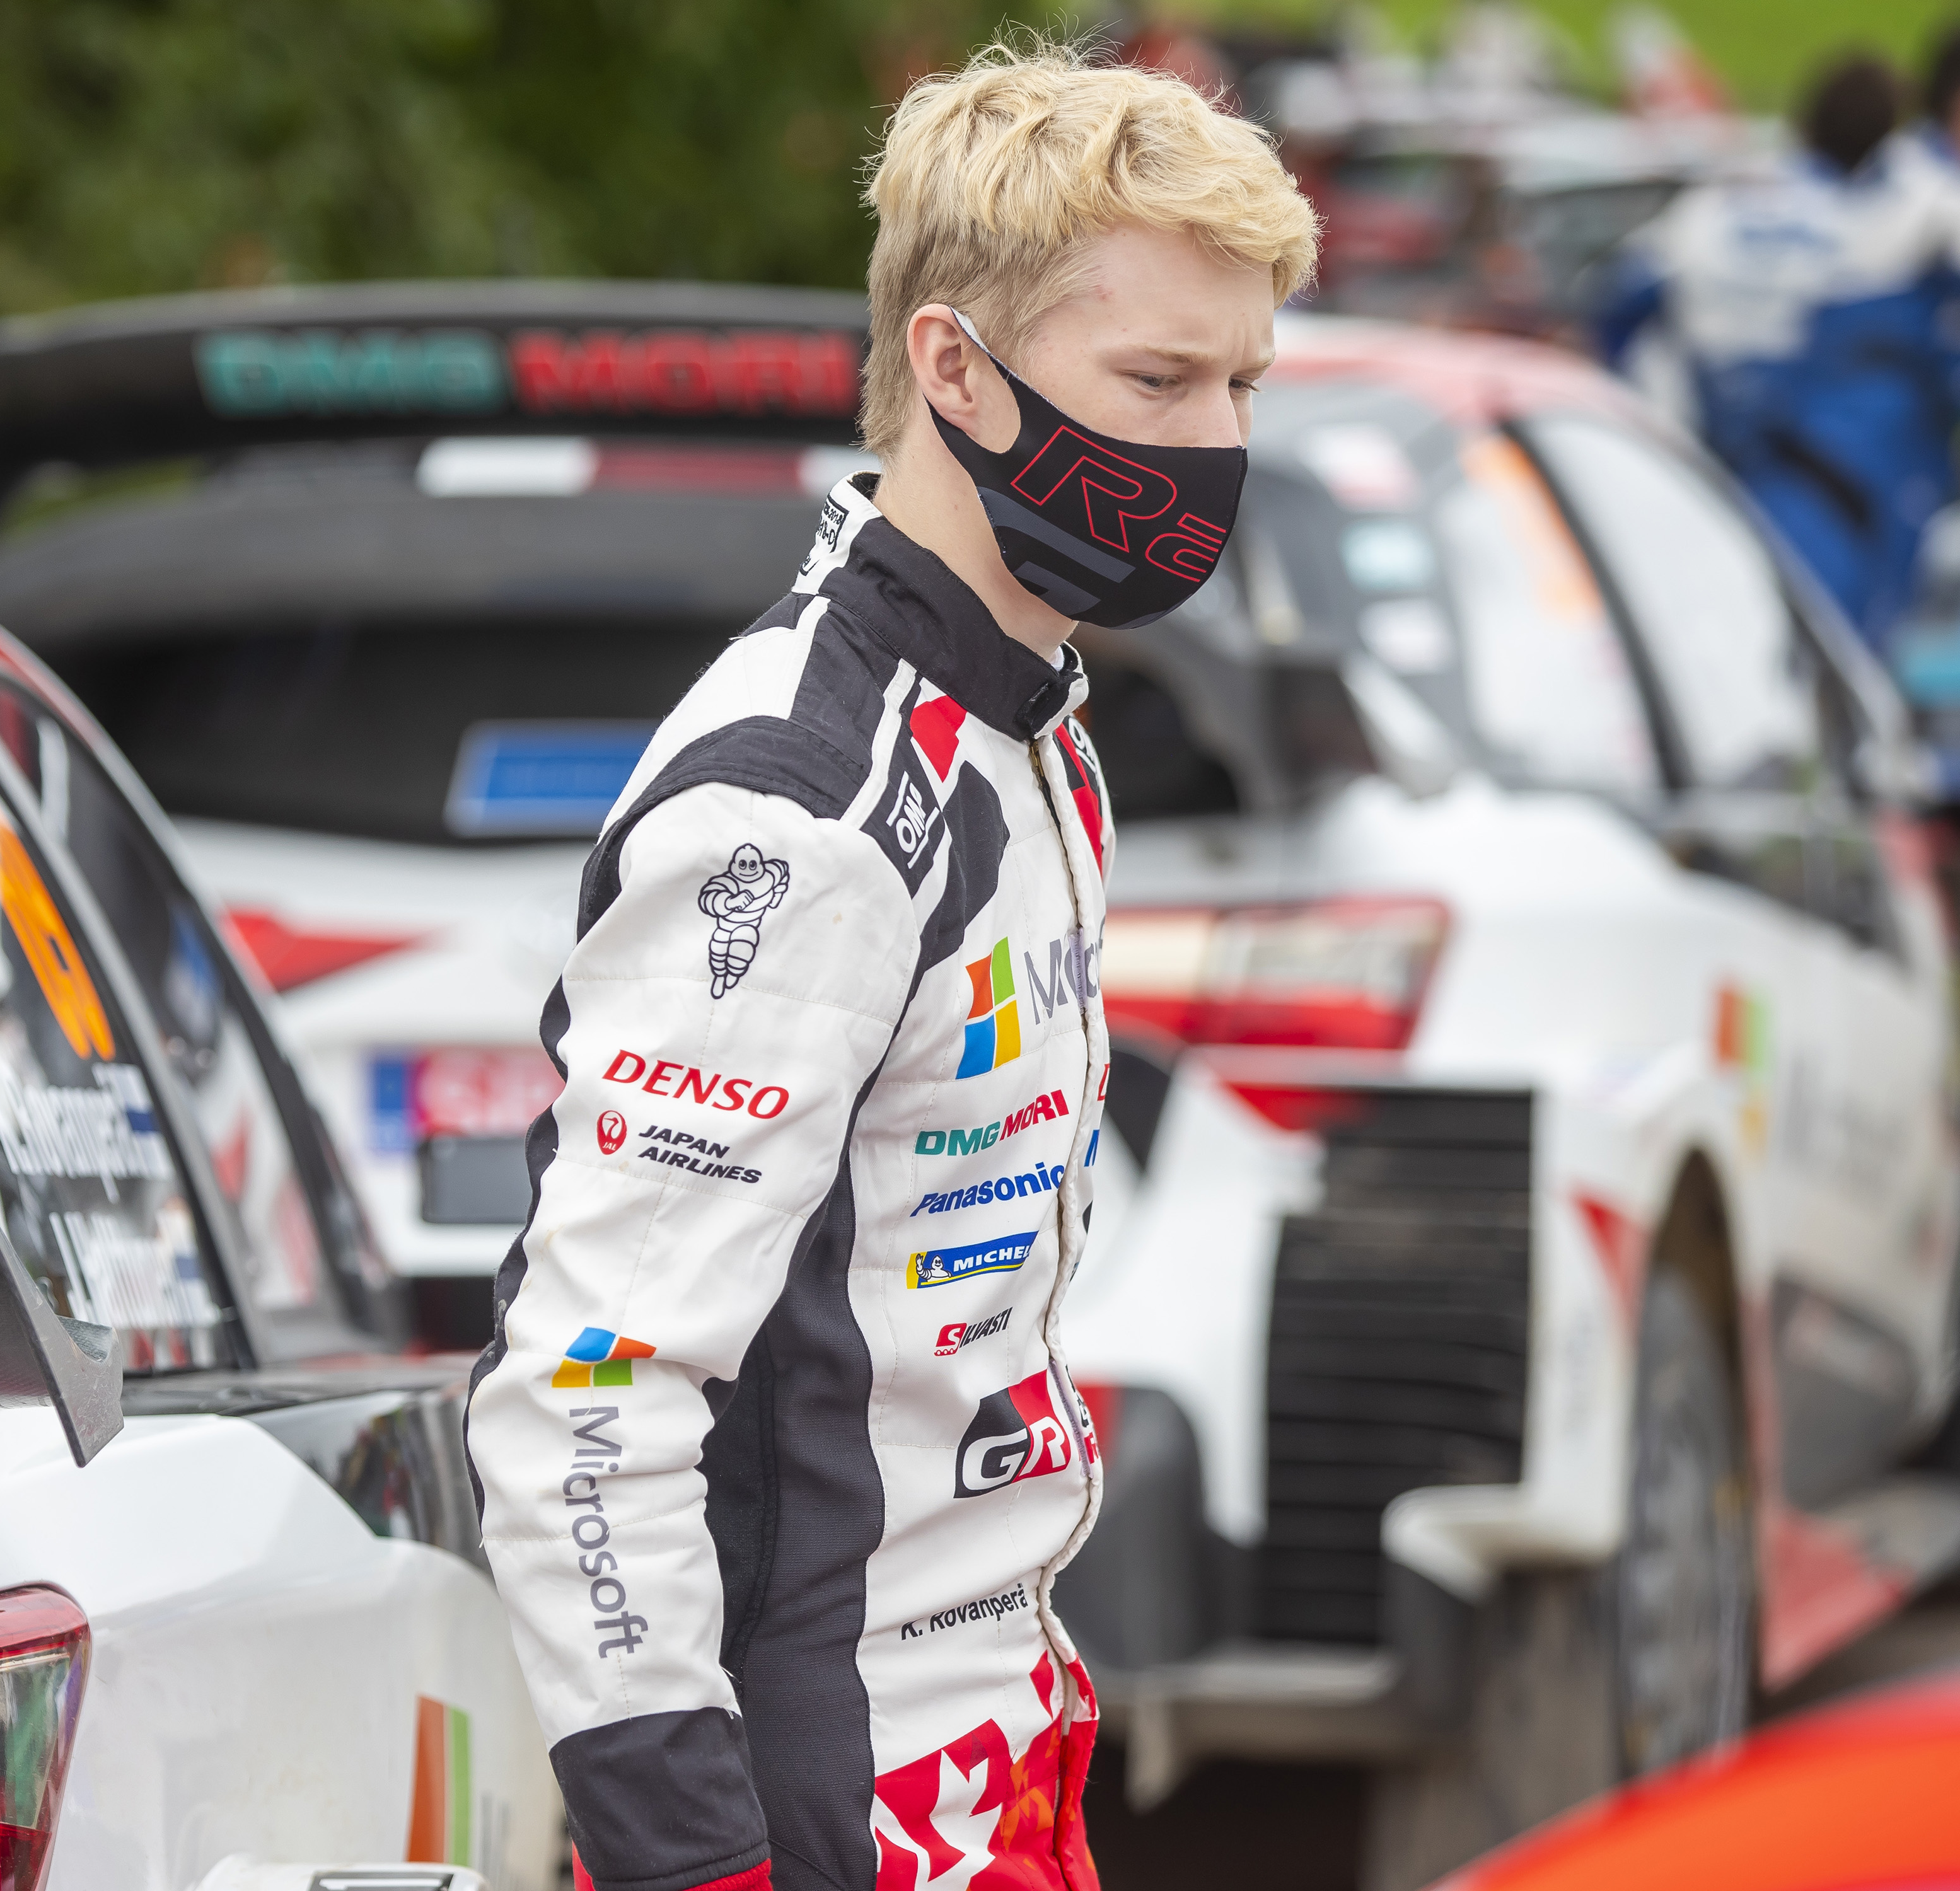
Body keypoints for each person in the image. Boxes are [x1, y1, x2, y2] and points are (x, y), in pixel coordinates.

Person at [461, 42, 1316, 1891]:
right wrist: (694, 1863)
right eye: (1157, 380)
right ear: (953, 367)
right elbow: (580, 1399)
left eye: (1241, 382)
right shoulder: (806, 804)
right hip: (826, 1802)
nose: (1213, 446)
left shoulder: (1024, 725)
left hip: (994, 1751)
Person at [1596, 53, 1960, 644]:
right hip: (1839, 484)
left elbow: (1618, 304)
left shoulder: (1720, 202)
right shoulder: (1904, 216)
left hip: (1703, 472)